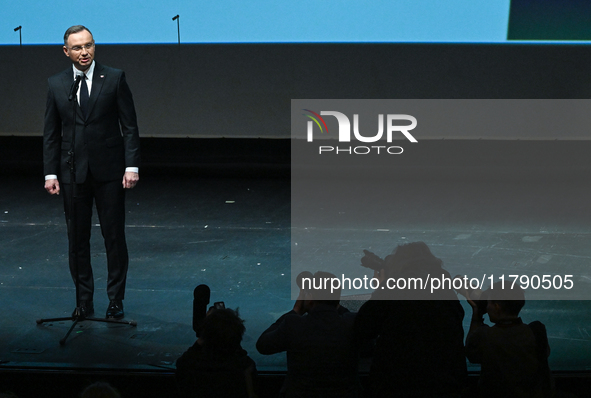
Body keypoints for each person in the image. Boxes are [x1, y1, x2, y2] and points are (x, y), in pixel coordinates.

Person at [43, 25, 140, 319]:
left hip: (109, 171)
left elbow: (130, 126)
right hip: (73, 173)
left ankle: (115, 300)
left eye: (89, 46)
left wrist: (131, 165)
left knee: (113, 237)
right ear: (66, 51)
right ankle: (83, 300)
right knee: (77, 240)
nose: (84, 52)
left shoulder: (113, 77)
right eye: (77, 48)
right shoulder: (57, 84)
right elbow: (51, 132)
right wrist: (50, 173)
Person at [354, 242, 467, 398]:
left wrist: (380, 289)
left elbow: (363, 327)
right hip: (444, 382)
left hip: (397, 383)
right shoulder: (443, 287)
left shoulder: (393, 287)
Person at [256, 271, 360, 398]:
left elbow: (262, 345)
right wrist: (334, 304)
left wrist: (295, 311)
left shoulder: (293, 324)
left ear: (309, 298)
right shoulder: (351, 323)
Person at [463, 281, 554, 398]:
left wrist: (477, 313)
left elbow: (472, 354)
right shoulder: (536, 331)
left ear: (496, 307)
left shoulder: (486, 335)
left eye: (489, 303)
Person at [176, 307, 258, 398]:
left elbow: (184, 361)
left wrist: (207, 329)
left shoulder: (189, 364)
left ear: (204, 336)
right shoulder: (245, 367)